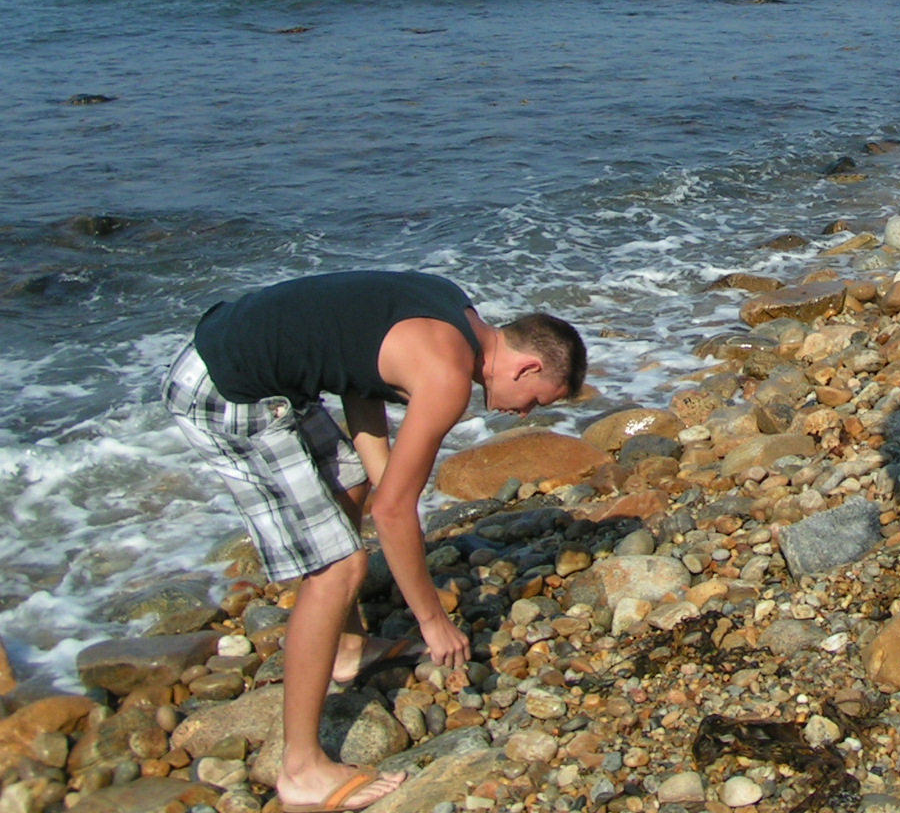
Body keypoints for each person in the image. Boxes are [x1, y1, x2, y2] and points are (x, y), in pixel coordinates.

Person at [164, 271, 585, 812]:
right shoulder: (447, 375)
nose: (523, 414)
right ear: (526, 367)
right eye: (536, 401)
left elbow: (355, 373)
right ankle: (300, 769)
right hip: (227, 390)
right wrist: (432, 620)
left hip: (244, 357)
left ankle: (346, 648)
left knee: (352, 481)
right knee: (340, 570)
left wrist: (385, 478)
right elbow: (390, 513)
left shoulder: (452, 309)